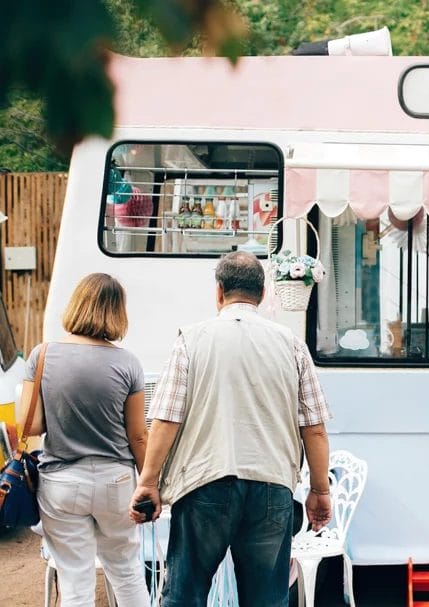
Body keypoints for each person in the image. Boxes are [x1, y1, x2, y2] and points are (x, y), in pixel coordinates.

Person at [130, 250, 333, 607]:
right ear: (264, 294)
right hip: (272, 489)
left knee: (184, 596)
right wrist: (320, 490)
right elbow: (314, 428)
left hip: (205, 484)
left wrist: (148, 482)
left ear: (219, 292)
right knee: (267, 600)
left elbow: (166, 419)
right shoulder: (293, 347)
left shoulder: (191, 340)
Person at [18, 273, 150, 606]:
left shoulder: (42, 355)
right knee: (127, 571)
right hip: (116, 481)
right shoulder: (128, 363)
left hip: (61, 481)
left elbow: (29, 425)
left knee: (76, 582)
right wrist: (150, 484)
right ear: (117, 312)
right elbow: (137, 434)